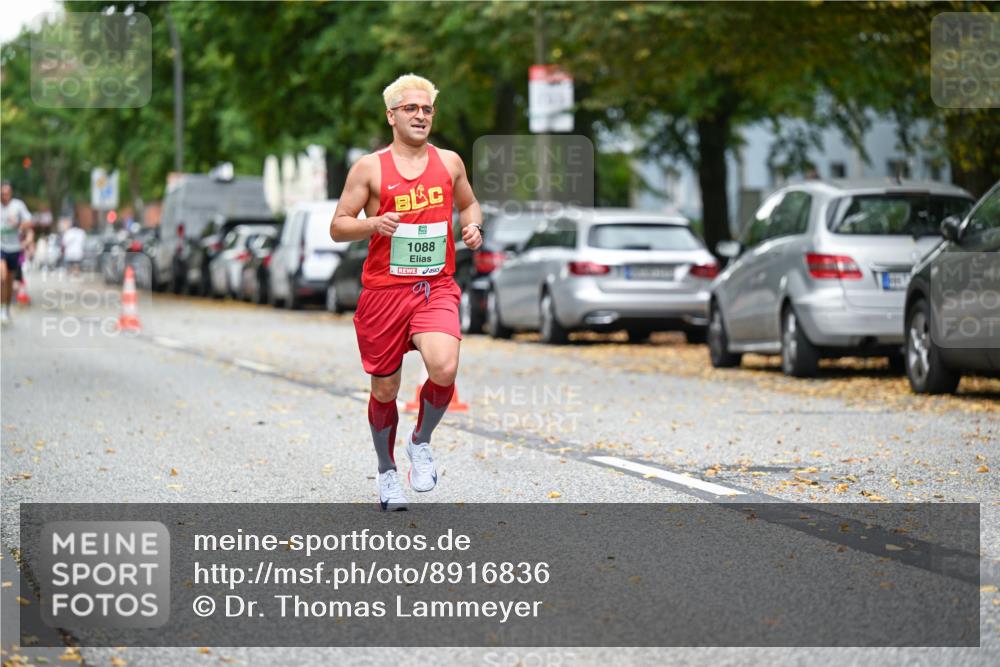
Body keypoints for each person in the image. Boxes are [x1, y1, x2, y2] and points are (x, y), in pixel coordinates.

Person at [331, 74, 483, 511]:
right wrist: (372, 224)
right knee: (385, 389)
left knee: (444, 366)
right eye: (411, 109)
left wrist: (473, 225)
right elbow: (338, 225)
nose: (420, 116)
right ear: (391, 116)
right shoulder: (370, 168)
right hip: (384, 292)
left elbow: (469, 203)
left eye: (427, 109)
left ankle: (420, 440)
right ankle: (386, 471)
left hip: (435, 285)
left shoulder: (449, 162)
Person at [1, 181, 33, 324]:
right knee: (2, 278)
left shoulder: (18, 206)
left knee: (9, 282)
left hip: (14, 248)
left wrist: (18, 224)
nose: (5, 197)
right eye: (2, 194)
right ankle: (2, 309)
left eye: (7, 194)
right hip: (1, 247)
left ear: (11, 193)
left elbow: (30, 223)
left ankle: (6, 308)